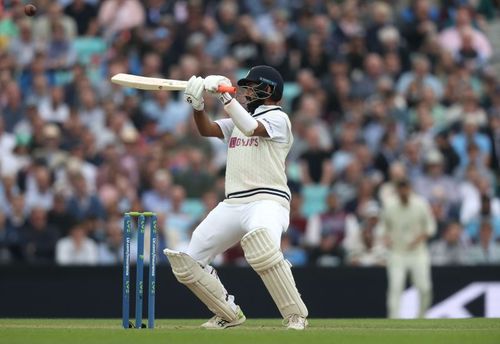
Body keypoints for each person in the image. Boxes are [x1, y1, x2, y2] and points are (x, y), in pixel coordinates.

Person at [163, 66, 308, 330]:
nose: (246, 91)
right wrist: (197, 106)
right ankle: (228, 313)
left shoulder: (278, 118)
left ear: (269, 90)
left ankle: (296, 315)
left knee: (263, 251)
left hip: (267, 200)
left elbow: (252, 128)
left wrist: (224, 98)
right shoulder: (239, 120)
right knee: (188, 263)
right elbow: (207, 130)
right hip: (233, 203)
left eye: (252, 86)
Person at [380, 178, 436, 319]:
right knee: (395, 287)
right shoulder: (390, 205)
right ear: (397, 190)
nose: (404, 192)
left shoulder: (420, 204)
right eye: (401, 188)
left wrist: (418, 240)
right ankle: (394, 321)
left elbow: (431, 228)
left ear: (410, 189)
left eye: (406, 188)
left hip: (418, 253)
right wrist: (385, 238)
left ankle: (422, 318)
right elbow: (382, 228)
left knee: (424, 288)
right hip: (397, 253)